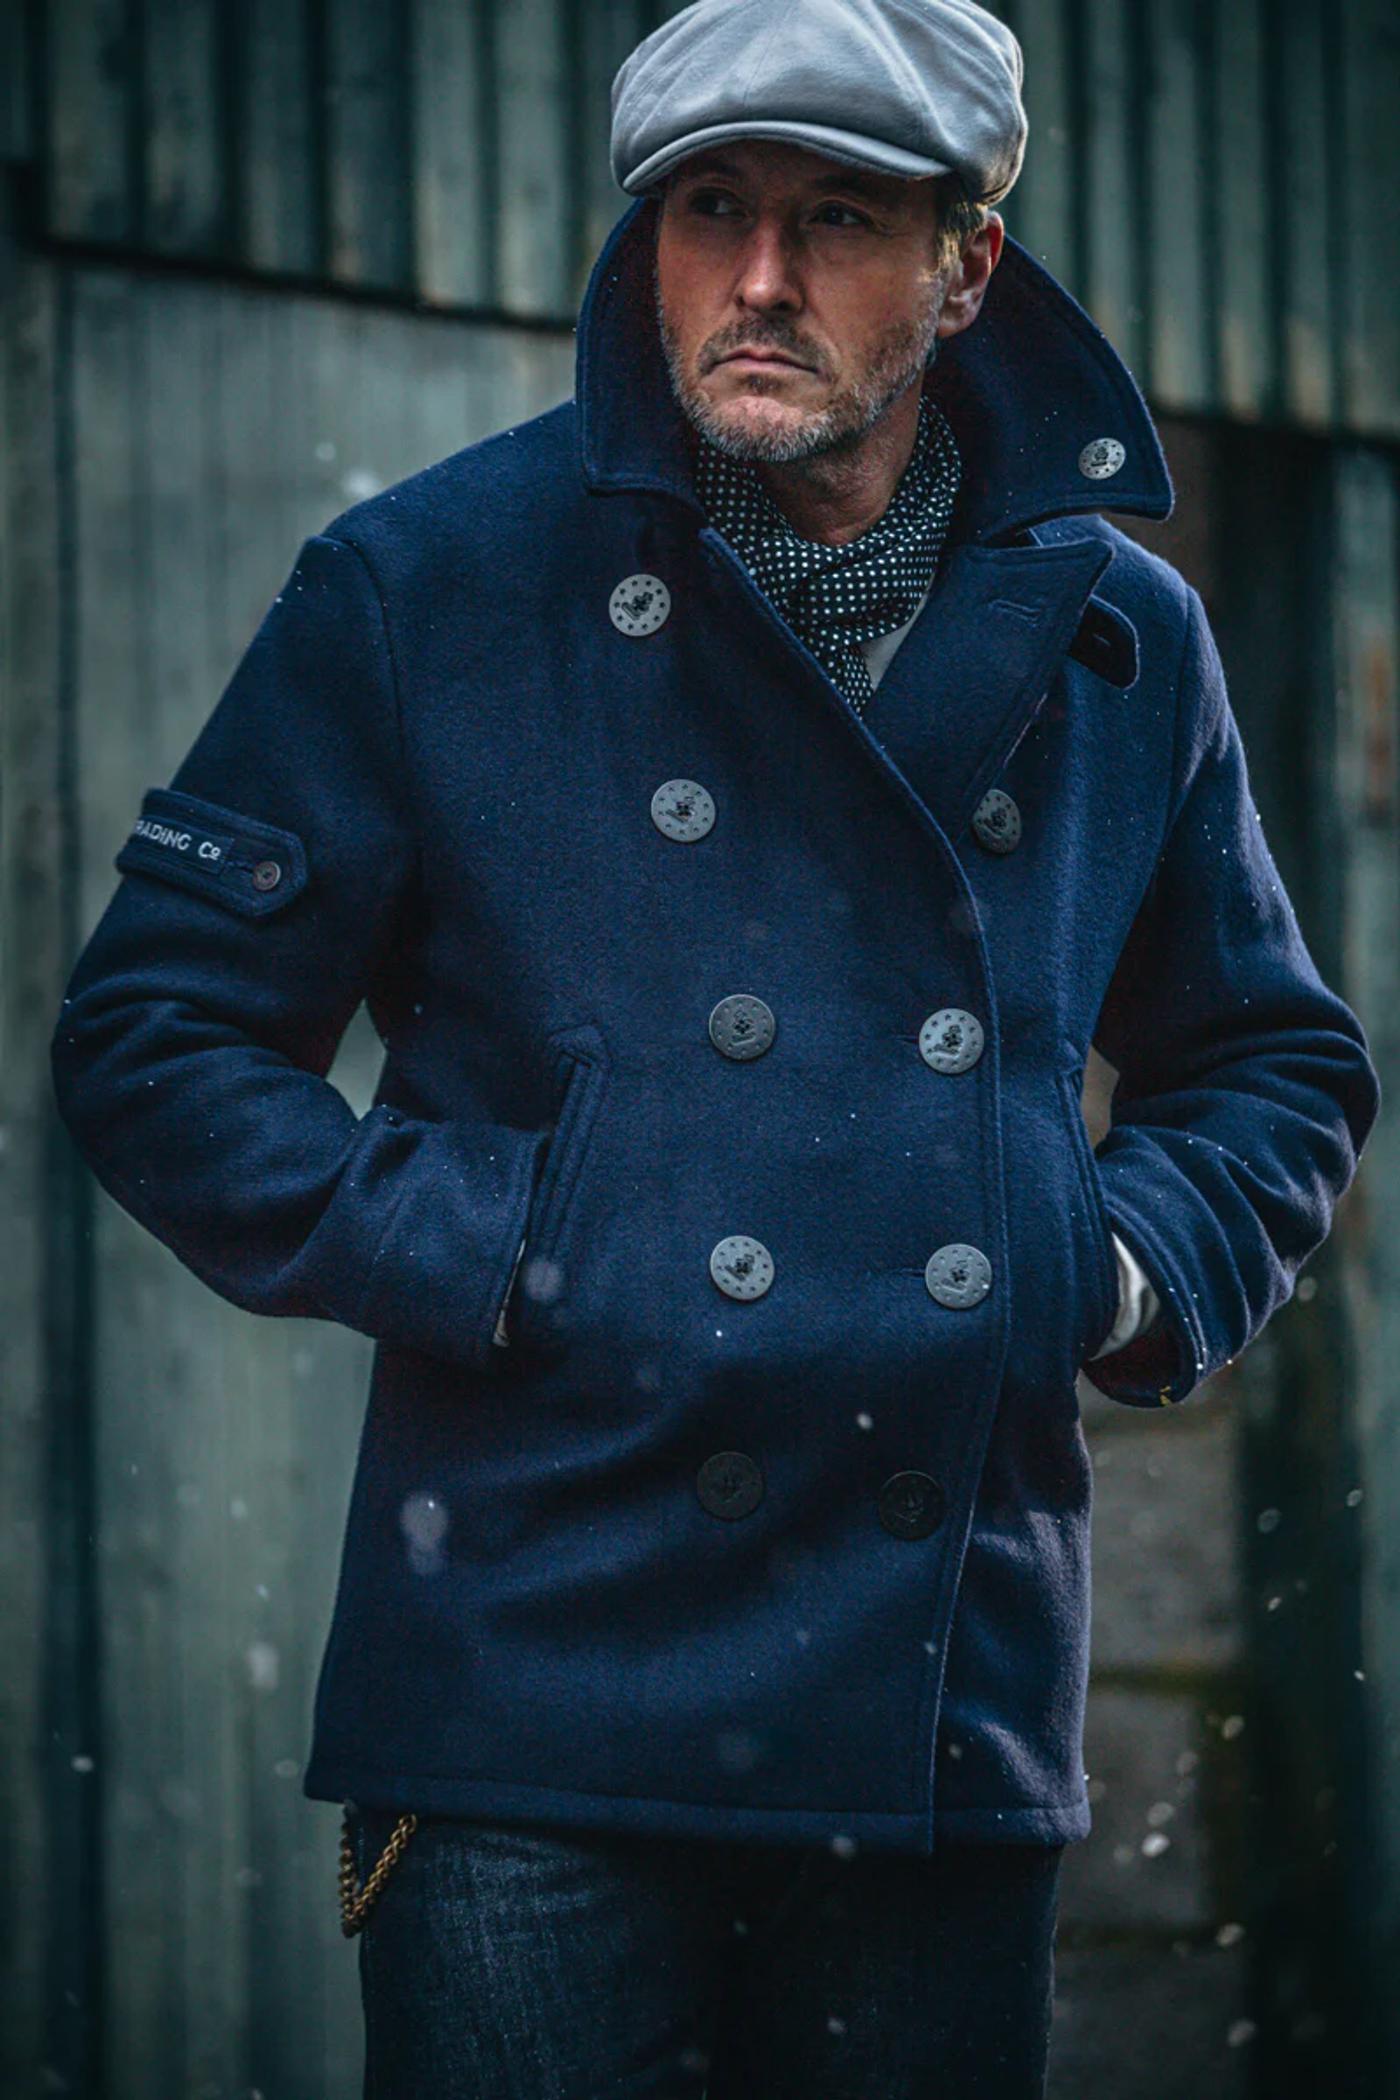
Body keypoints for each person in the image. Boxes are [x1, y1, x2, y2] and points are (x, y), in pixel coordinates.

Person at [49, 0, 1381, 2093]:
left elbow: (1272, 1066)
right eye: (709, 211)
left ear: (962, 266)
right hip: (531, 1680)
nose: (757, 279)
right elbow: (158, 1037)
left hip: (931, 1703)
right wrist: (515, 1236)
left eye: (835, 220)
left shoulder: (1123, 635)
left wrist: (1098, 1264)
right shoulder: (429, 586)